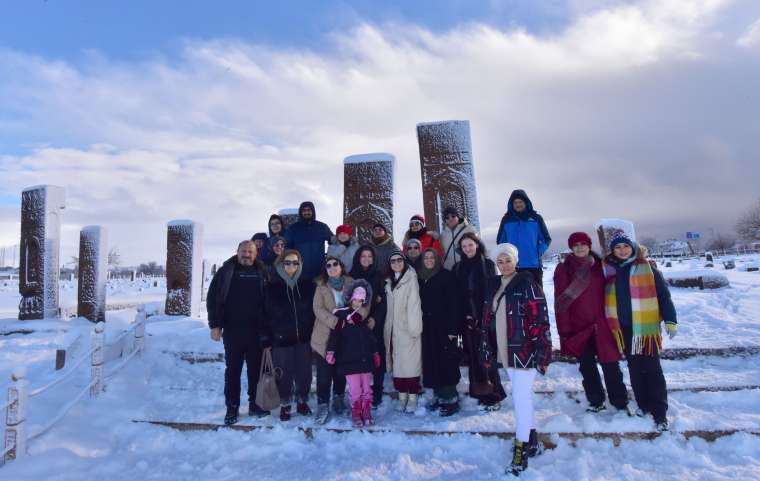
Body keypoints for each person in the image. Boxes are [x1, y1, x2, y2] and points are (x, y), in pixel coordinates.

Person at [485, 243, 551, 476]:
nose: (504, 265)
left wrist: (543, 352)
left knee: (520, 399)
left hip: (524, 351)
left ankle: (520, 451)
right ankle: (532, 441)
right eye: (500, 262)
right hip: (505, 352)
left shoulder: (527, 283)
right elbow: (488, 319)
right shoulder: (494, 285)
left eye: (508, 260)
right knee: (523, 398)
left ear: (516, 260)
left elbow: (540, 320)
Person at [603, 234, 677, 431]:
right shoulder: (610, 271)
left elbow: (663, 295)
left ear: (632, 247)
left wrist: (670, 319)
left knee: (652, 369)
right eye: (617, 247)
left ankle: (659, 411)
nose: (622, 250)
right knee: (635, 369)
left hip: (645, 328)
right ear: (613, 251)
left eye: (625, 246)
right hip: (625, 329)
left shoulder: (648, 268)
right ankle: (643, 405)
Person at [553, 232, 628, 413]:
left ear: (589, 245)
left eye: (583, 244)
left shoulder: (601, 266)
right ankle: (596, 401)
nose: (580, 248)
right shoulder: (564, 269)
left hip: (603, 324)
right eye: (576, 245)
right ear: (571, 247)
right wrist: (565, 329)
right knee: (587, 367)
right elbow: (561, 302)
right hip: (579, 326)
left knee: (611, 365)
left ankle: (620, 402)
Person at [206, 240, 270, 425]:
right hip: (233, 330)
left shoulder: (262, 271)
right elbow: (213, 298)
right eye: (244, 251)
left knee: (255, 371)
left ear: (256, 253)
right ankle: (232, 408)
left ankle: (254, 404)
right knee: (233, 371)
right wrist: (215, 325)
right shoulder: (226, 271)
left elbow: (269, 300)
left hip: (256, 330)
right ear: (237, 252)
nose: (247, 255)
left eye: (250, 251)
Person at [311, 256, 370, 423]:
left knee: (341, 370)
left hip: (347, 336)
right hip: (325, 334)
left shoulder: (353, 283)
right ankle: (323, 404)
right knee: (324, 373)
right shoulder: (321, 286)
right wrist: (335, 322)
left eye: (335, 264)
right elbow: (317, 308)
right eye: (328, 265)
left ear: (341, 266)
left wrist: (359, 316)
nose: (332, 267)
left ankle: (338, 398)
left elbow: (364, 303)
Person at [453, 232, 505, 410]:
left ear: (477, 245)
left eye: (470, 244)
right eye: (464, 246)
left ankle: (493, 395)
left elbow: (491, 291)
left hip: (483, 317)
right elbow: (458, 294)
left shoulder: (487, 264)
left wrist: (482, 315)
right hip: (465, 317)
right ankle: (479, 391)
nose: (468, 248)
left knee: (486, 355)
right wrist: (464, 315)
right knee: (474, 356)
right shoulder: (458, 267)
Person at [266, 249, 316, 421]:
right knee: (283, 373)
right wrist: (266, 336)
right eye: (287, 262)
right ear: (281, 263)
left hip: (304, 337)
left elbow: (315, 312)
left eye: (295, 263)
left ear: (300, 264)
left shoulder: (308, 285)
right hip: (281, 338)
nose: (291, 266)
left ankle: (302, 401)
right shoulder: (272, 286)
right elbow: (264, 314)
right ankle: (285, 404)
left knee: (304, 373)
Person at [326, 280, 381, 427]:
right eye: (355, 299)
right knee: (355, 389)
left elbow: (370, 338)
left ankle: (366, 411)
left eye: (361, 300)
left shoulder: (363, 319)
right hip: (349, 360)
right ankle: (356, 412)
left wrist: (375, 353)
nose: (357, 303)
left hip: (365, 359)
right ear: (351, 299)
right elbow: (335, 336)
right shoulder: (342, 316)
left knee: (367, 388)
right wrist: (331, 351)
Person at [417, 248, 462, 416]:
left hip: (444, 327)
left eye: (431, 257)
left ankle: (450, 398)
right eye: (426, 258)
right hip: (428, 327)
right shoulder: (421, 278)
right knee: (433, 360)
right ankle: (438, 395)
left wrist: (452, 329)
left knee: (446, 361)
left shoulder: (446, 276)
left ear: (437, 259)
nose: (429, 260)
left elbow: (454, 303)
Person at [349, 244, 389, 407]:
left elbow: (383, 300)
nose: (366, 259)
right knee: (358, 356)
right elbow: (348, 299)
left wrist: (375, 319)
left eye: (369, 256)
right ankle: (359, 390)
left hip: (374, 322)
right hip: (356, 322)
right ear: (358, 258)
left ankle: (377, 388)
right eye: (363, 256)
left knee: (377, 355)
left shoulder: (379, 276)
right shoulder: (351, 276)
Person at [384, 250, 423, 413]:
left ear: (404, 261)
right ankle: (402, 396)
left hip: (408, 327)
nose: (396, 263)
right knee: (398, 364)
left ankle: (412, 397)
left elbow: (414, 304)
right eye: (393, 261)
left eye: (399, 260)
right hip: (393, 327)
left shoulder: (410, 278)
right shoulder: (388, 281)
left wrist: (414, 328)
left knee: (411, 365)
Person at [495, 190, 551, 284]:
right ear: (511, 204)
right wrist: (506, 258)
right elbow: (501, 242)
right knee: (513, 298)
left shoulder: (536, 218)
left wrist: (537, 252)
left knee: (536, 297)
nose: (518, 204)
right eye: (515, 202)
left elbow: (546, 239)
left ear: (526, 202)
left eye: (520, 202)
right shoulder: (506, 220)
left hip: (533, 266)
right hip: (512, 267)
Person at [284, 201, 333, 281]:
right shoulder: (293, 229)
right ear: (300, 212)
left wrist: (348, 239)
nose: (306, 212)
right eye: (304, 210)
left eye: (309, 210)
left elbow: (333, 241)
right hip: (299, 274)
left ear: (313, 211)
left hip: (319, 274)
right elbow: (286, 248)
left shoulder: (322, 227)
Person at [439, 205, 478, 271]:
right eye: (447, 217)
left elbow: (481, 247)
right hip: (450, 271)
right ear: (445, 221)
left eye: (453, 216)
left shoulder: (469, 229)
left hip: (467, 269)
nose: (450, 219)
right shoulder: (443, 235)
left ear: (457, 216)